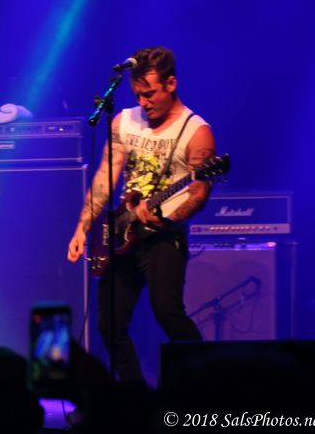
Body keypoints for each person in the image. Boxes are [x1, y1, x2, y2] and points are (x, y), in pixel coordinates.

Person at [66, 46, 214, 384]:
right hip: (123, 233)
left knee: (168, 313)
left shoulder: (196, 131)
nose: (143, 102)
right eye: (137, 95)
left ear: (171, 83)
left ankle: (207, 380)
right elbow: (105, 179)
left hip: (164, 236)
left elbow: (199, 193)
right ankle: (134, 394)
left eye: (150, 94)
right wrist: (82, 228)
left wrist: (167, 219)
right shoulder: (124, 121)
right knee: (109, 324)